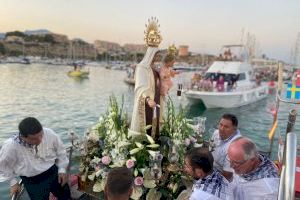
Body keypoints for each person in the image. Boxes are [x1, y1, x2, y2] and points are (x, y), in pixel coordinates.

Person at [0, 117, 70, 199]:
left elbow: (61, 151)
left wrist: (62, 170)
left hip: (52, 172)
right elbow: (3, 166)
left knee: (65, 194)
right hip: (33, 181)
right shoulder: (10, 146)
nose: (40, 140)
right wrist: (13, 183)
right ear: (23, 136)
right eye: (34, 139)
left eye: (41, 135)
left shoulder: (49, 133)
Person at [130, 17, 163, 140]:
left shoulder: (152, 69)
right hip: (146, 103)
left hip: (155, 102)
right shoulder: (142, 68)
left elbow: (156, 83)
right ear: (150, 54)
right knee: (145, 127)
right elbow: (140, 87)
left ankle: (152, 145)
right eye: (155, 56)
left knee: (153, 128)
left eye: (158, 56)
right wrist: (148, 98)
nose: (157, 58)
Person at [210, 114, 241, 181]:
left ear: (234, 129)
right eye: (220, 125)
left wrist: (207, 176)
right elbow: (210, 151)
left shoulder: (235, 147)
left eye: (226, 127)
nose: (221, 129)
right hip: (211, 168)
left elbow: (227, 176)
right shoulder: (216, 133)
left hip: (223, 179)